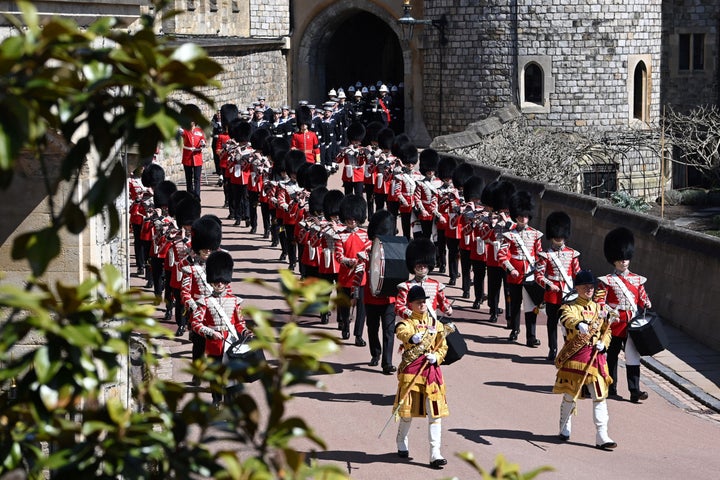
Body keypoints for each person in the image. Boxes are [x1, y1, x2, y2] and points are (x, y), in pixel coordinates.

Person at [553, 270, 617, 450]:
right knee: (570, 394)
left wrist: (604, 344)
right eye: (585, 287)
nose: (589, 290)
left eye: (591, 287)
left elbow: (607, 330)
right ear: (578, 288)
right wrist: (578, 323)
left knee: (600, 396)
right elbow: (565, 318)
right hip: (576, 356)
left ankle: (602, 435)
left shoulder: (600, 309)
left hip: (596, 357)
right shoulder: (570, 307)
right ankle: (565, 426)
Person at [394, 285, 452, 469]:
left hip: (432, 372)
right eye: (418, 302)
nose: (422, 305)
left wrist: (437, 357)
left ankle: (435, 453)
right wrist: (412, 338)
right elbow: (400, 332)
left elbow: (443, 346)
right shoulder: (408, 323)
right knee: (407, 411)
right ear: (410, 304)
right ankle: (401, 440)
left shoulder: (436, 324)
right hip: (412, 371)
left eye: (424, 302)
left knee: (435, 413)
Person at [596, 227, 652, 403]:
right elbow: (599, 302)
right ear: (614, 261)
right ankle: (611, 386)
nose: (624, 262)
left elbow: (642, 297)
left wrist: (647, 302)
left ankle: (634, 391)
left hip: (632, 323)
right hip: (614, 324)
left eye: (626, 259)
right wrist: (608, 312)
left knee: (633, 356)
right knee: (611, 356)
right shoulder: (607, 281)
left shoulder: (637, 279)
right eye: (620, 260)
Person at [190, 250, 246, 408]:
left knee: (231, 375)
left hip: (230, 343)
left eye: (222, 281)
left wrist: (245, 331)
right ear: (212, 282)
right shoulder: (204, 302)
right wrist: (210, 332)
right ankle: (216, 399)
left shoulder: (235, 301)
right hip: (214, 343)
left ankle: (230, 402)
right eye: (217, 281)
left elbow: (239, 322)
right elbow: (196, 323)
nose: (220, 284)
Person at [499, 191, 545, 345]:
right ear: (516, 216)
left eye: (525, 216)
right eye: (520, 216)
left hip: (530, 274)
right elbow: (502, 256)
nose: (523, 218)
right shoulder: (509, 235)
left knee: (531, 306)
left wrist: (539, 271)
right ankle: (515, 329)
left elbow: (539, 255)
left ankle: (531, 336)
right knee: (515, 303)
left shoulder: (536, 235)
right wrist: (510, 268)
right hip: (514, 274)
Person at [535, 211, 581, 362]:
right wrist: (548, 285)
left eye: (561, 236)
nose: (559, 238)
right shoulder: (545, 255)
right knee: (552, 323)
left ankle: (567, 349)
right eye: (557, 236)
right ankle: (553, 348)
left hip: (567, 293)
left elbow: (577, 273)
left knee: (568, 323)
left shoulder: (572, 254)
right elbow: (539, 276)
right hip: (552, 294)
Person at [356, 209, 398, 374]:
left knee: (388, 330)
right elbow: (360, 271)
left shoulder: (395, 248)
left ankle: (387, 363)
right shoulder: (367, 249)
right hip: (371, 296)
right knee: (372, 328)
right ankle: (376, 353)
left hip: (389, 298)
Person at [395, 238, 453, 322]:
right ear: (413, 265)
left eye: (425, 265)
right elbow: (398, 306)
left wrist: (447, 308)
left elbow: (443, 302)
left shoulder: (436, 285)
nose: (422, 267)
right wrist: (412, 315)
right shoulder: (406, 286)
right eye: (419, 265)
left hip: (431, 324)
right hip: (413, 325)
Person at [180, 117, 206, 198]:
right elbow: (180, 132)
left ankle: (197, 196)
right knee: (189, 179)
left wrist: (203, 143)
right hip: (187, 158)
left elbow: (203, 140)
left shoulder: (200, 131)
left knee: (197, 179)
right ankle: (190, 196)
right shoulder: (185, 130)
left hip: (197, 157)